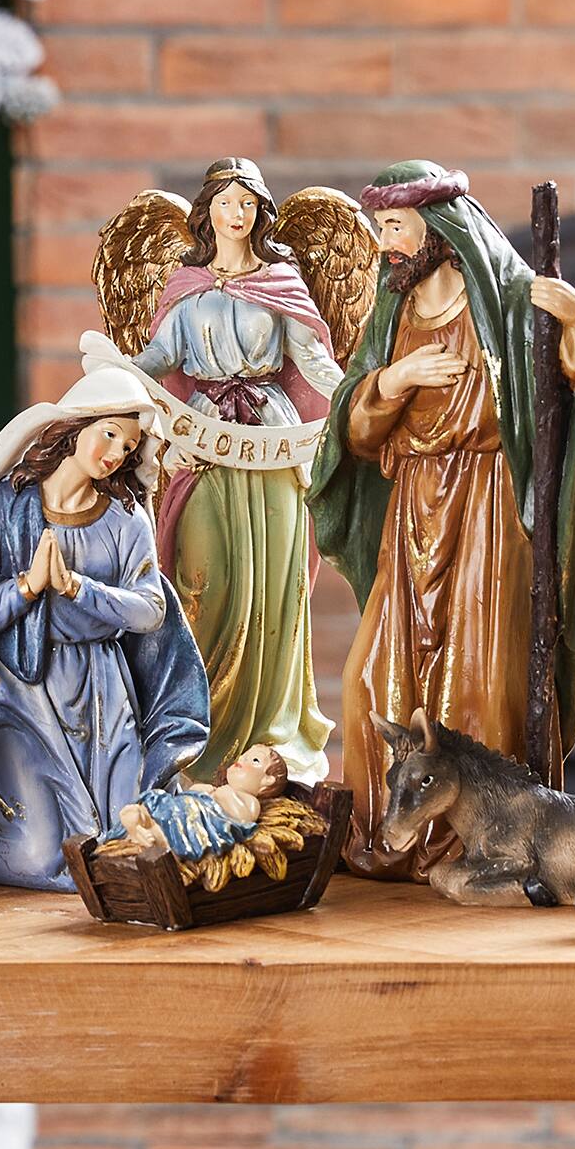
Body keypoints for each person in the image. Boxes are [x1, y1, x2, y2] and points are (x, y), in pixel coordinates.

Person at [310, 160, 575, 878]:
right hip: (412, 505)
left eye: (395, 227)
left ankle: (483, 840)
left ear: (438, 228)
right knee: (372, 678)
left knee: (479, 678)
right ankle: (389, 830)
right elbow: (353, 431)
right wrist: (395, 380)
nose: (386, 243)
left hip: (487, 504)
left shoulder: (507, 301)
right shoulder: (392, 313)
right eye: (380, 227)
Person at [0, 367, 210, 892]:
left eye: (129, 445)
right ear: (74, 429)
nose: (116, 453)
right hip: (21, 691)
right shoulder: (1, 509)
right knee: (35, 857)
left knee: (125, 836)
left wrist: (77, 588)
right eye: (109, 434)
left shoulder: (126, 519)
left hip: (102, 691)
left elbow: (150, 609)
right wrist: (25, 588)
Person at [104, 159, 351, 787]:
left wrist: (360, 392)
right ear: (207, 211)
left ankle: (270, 736)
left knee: (274, 587)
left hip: (271, 437)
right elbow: (159, 358)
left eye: (246, 203)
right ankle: (196, 728)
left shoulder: (282, 281)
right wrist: (113, 374)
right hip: (205, 435)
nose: (235, 214)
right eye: (224, 202)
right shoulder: (185, 287)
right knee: (201, 581)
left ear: (260, 211)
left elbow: (313, 362)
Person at [109, 743, 288, 863]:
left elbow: (241, 818)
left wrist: (223, 793)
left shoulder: (251, 801)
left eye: (255, 761)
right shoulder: (216, 789)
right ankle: (140, 821)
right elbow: (191, 793)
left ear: (267, 780)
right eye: (244, 756)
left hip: (198, 819)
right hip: (183, 807)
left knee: (179, 821)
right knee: (157, 799)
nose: (242, 760)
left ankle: (152, 834)